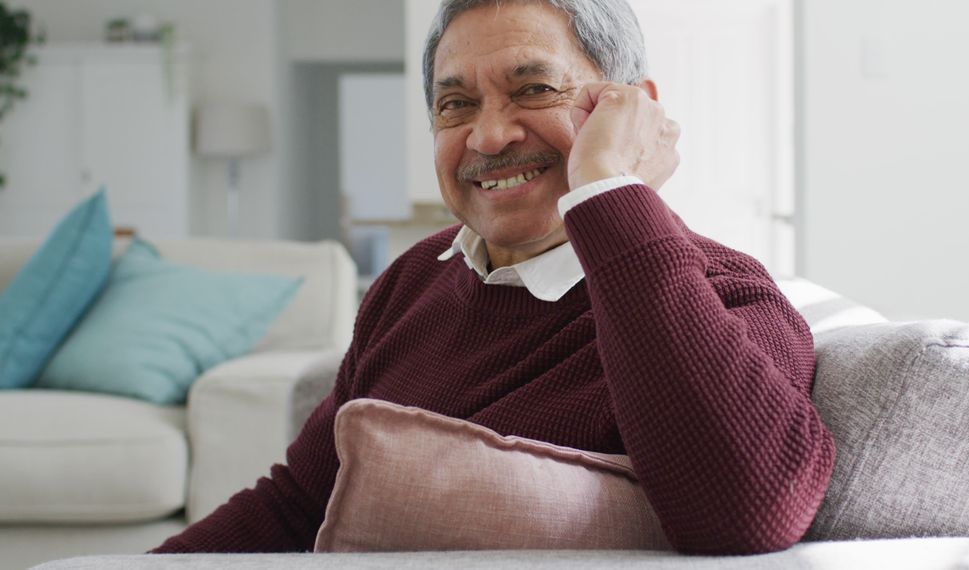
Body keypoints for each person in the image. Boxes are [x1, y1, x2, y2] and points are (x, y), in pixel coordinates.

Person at [153, 0, 834, 555]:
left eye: (533, 89)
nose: (486, 137)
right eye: (455, 105)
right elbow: (298, 505)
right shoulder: (415, 280)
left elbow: (749, 514)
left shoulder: (723, 293)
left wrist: (609, 188)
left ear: (632, 109)